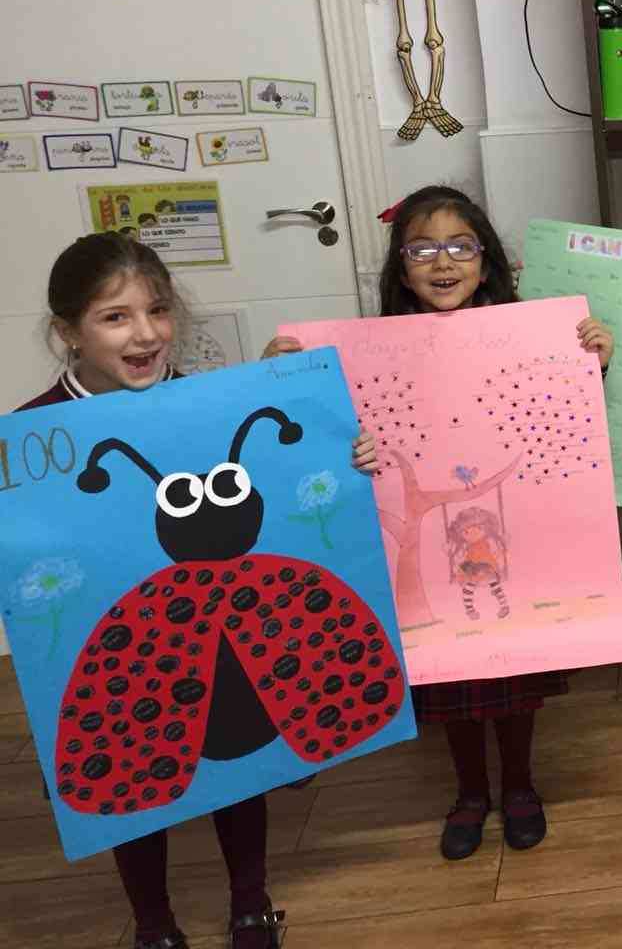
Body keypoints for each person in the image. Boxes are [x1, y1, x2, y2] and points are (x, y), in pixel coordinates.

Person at [20, 233, 377, 949]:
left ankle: (251, 898)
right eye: (115, 317)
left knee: (239, 761)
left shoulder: (210, 406)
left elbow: (287, 489)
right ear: (69, 332)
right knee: (129, 766)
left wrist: (345, 454)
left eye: (157, 310)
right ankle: (153, 922)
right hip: (131, 645)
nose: (145, 333)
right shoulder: (32, 439)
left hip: (230, 632)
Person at [266, 186, 615, 862]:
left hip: (508, 537)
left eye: (460, 246)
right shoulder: (367, 357)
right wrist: (285, 380)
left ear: (486, 263)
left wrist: (591, 361)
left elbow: (563, 422)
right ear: (401, 270)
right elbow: (327, 442)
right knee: (451, 675)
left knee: (515, 673)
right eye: (423, 250)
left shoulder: (527, 337)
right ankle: (471, 792)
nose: (444, 262)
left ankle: (519, 783)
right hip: (427, 541)